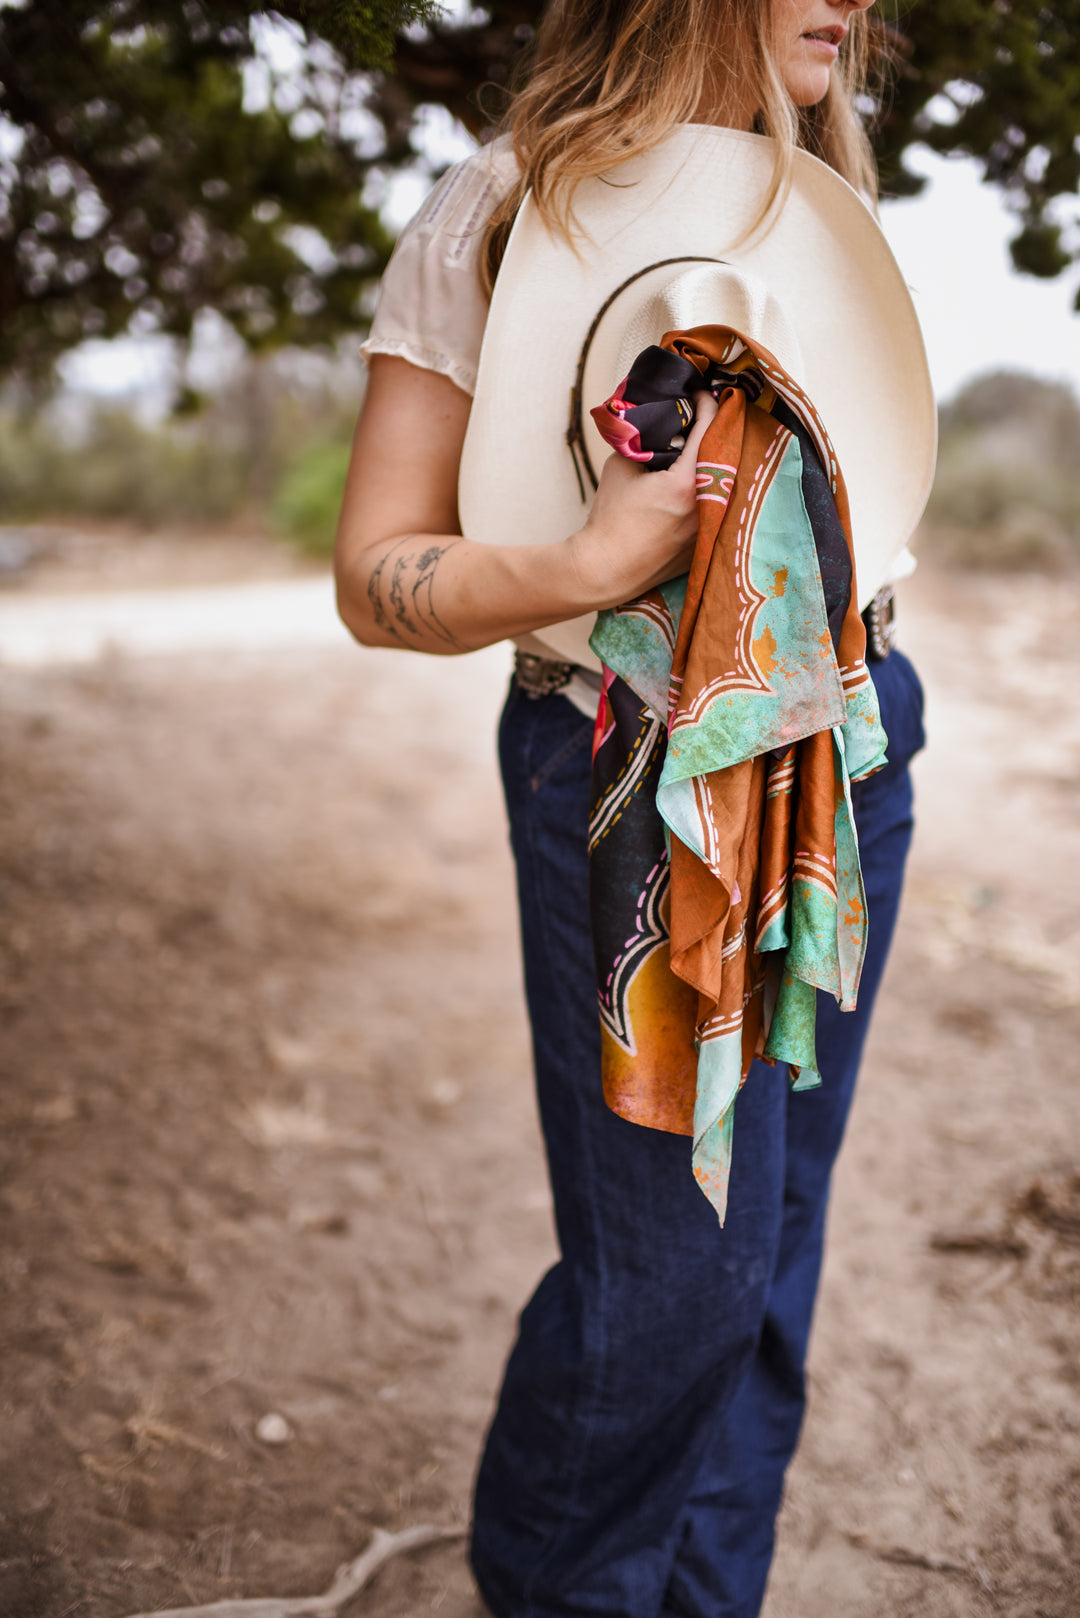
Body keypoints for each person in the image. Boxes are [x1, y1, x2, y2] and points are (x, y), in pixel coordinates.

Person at [334, 4, 930, 1614]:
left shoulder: (830, 208)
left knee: (770, 1263)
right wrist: (589, 566)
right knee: (679, 1274)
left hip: (851, 744)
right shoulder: (502, 207)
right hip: (626, 770)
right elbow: (374, 573)